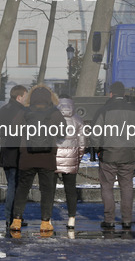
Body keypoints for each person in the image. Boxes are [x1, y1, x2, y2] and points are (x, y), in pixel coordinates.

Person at [9, 85, 66, 234]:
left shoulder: (24, 112)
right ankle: (45, 223)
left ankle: (16, 220)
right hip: (47, 158)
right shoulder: (55, 113)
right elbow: (63, 133)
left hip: (27, 157)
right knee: (47, 191)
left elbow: (13, 130)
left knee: (22, 190)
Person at [92, 81, 135, 230]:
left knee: (107, 186)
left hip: (108, 154)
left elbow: (95, 135)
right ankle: (127, 220)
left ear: (111, 94)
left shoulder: (103, 111)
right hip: (128, 154)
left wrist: (98, 150)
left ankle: (109, 220)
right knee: (127, 187)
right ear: (124, 94)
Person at [0, 85, 28, 227]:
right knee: (15, 186)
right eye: (25, 97)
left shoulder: (3, 110)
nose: (27, 100)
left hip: (5, 151)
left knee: (11, 184)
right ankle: (13, 216)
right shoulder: (22, 111)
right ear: (19, 97)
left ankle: (11, 216)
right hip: (16, 152)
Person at [54, 94, 85, 230]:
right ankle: (71, 218)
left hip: (54, 158)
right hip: (71, 157)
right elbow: (82, 144)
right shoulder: (78, 119)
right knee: (71, 190)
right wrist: (78, 158)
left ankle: (47, 219)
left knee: (49, 189)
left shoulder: (52, 117)